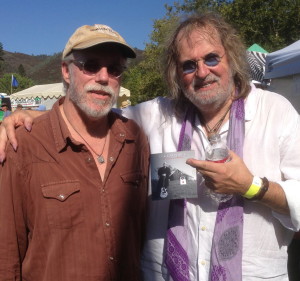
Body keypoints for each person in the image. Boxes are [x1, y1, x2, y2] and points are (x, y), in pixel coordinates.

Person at [1, 12, 300, 281]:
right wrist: (30, 116)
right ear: (177, 74)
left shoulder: (275, 113)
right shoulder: (157, 116)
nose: (202, 72)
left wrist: (251, 186)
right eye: (188, 65)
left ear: (231, 59)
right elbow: (90, 111)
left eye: (211, 58)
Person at [0, 24, 149, 281]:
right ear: (66, 71)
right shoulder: (23, 145)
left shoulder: (135, 138)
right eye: (90, 65)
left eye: (114, 69)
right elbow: (6, 254)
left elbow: (141, 231)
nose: (103, 78)